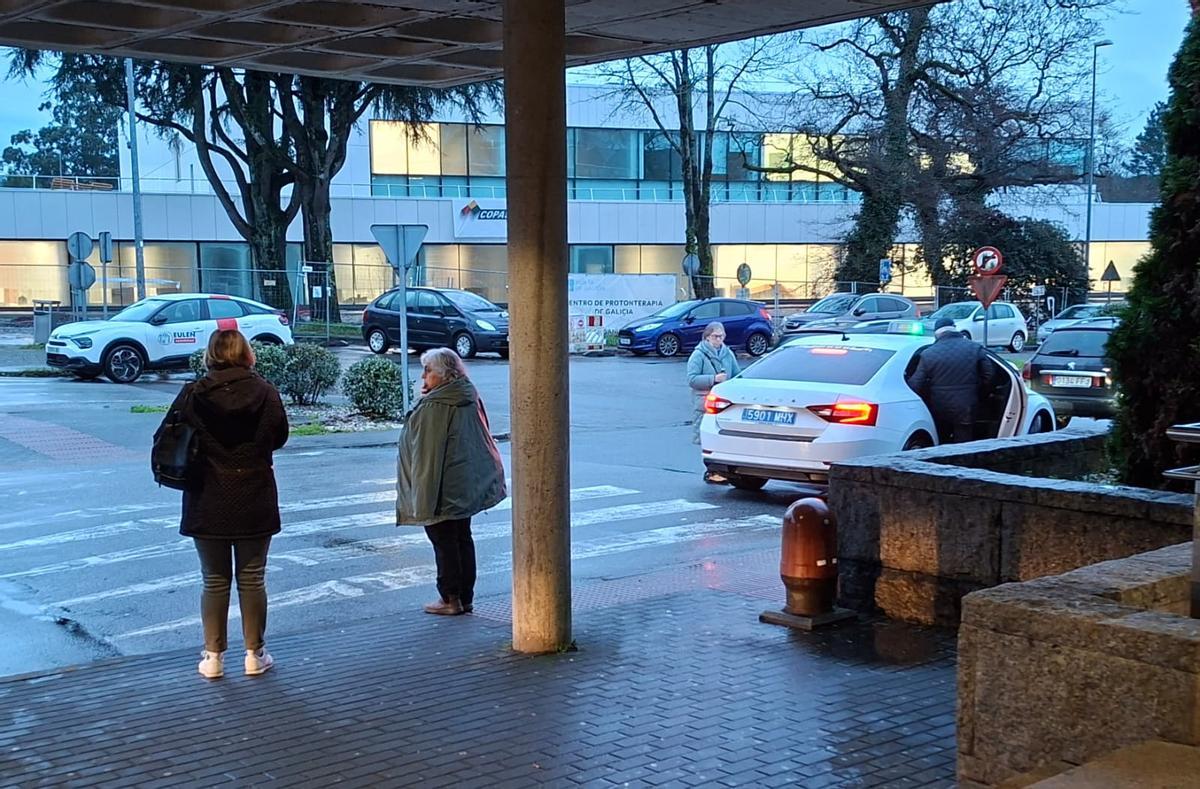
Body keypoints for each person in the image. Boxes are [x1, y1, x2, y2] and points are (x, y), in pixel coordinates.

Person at [162, 329, 288, 680]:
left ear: (211, 355)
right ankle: (254, 654)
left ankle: (213, 657)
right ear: (247, 354)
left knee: (214, 580)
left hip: (207, 494)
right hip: (254, 493)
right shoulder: (266, 392)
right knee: (252, 578)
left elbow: (173, 436)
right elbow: (279, 436)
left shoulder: (193, 393)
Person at [397, 347, 506, 616]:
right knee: (461, 538)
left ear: (446, 375)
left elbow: (427, 457)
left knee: (443, 540)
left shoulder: (436, 406)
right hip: (462, 484)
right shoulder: (465, 394)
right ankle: (464, 597)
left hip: (441, 486)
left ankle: (449, 599)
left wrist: (422, 499)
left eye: (428, 370)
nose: (423, 376)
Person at [907, 317, 994, 444]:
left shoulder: (928, 354)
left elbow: (915, 384)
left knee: (942, 441)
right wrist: (980, 392)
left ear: (937, 333)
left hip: (939, 407)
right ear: (955, 329)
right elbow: (989, 374)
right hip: (967, 404)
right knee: (964, 443)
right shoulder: (975, 348)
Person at [687, 321, 741, 481]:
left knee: (723, 437)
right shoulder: (699, 354)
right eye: (715, 336)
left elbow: (737, 374)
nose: (719, 339)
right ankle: (712, 471)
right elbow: (692, 379)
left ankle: (722, 471)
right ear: (707, 337)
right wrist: (713, 379)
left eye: (722, 336)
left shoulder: (727, 353)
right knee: (708, 437)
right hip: (705, 403)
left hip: (725, 403)